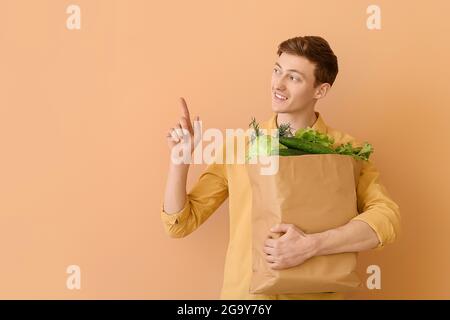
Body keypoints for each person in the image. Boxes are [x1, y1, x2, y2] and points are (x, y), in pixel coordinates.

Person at [161, 36, 401, 300]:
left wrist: (312, 245)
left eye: (294, 78)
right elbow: (180, 224)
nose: (278, 84)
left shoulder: (346, 151)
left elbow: (386, 219)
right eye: (277, 71)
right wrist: (179, 159)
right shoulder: (240, 146)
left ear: (320, 91)